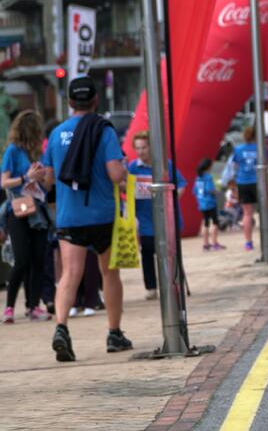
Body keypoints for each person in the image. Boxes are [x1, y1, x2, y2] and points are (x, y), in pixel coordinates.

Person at [41, 76, 130, 362]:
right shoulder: (104, 131)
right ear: (95, 101)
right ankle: (114, 334)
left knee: (70, 274)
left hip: (70, 216)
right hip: (101, 214)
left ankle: (61, 328)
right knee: (109, 273)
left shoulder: (56, 134)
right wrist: (125, 173)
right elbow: (116, 173)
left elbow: (49, 179)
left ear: (69, 103)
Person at [1, 110, 51, 323]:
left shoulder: (38, 153)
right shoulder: (13, 151)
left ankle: (33, 306)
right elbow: (4, 182)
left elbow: (47, 185)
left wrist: (40, 177)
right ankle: (9, 307)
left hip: (37, 210)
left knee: (38, 258)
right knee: (21, 259)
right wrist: (26, 177)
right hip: (18, 210)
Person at [128, 131, 186, 299]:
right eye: (137, 148)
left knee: (170, 253)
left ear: (151, 147)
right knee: (147, 252)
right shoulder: (132, 167)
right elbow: (126, 187)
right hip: (144, 220)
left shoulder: (165, 164)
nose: (141, 151)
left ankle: (173, 283)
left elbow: (181, 184)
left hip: (166, 219)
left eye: (144, 147)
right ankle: (151, 287)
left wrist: (169, 200)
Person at [229, 126, 258, 250]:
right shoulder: (260, 148)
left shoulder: (238, 150)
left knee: (247, 214)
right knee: (265, 210)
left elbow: (234, 167)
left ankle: (248, 242)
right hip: (257, 181)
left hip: (243, 182)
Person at [194, 158, 224, 251]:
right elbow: (209, 189)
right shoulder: (208, 177)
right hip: (210, 203)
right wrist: (217, 192)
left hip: (202, 203)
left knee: (205, 223)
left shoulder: (198, 178)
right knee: (215, 222)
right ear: (208, 166)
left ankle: (206, 244)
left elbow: (194, 191)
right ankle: (215, 243)